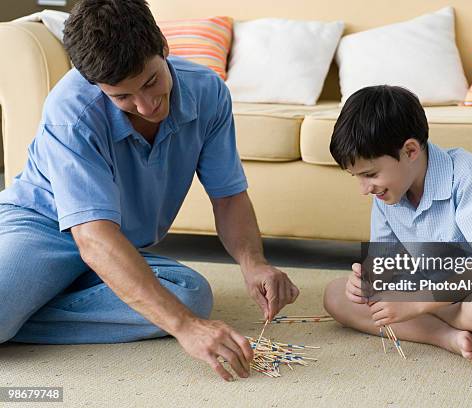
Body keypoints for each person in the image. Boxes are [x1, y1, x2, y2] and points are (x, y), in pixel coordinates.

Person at [0, 0, 299, 382]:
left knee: (190, 296)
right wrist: (185, 328)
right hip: (42, 226)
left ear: (163, 46)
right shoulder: (71, 110)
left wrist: (253, 262)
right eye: (122, 97)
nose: (146, 105)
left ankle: (25, 309)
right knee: (179, 315)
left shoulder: (208, 93)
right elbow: (93, 239)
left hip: (116, 244)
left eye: (151, 81)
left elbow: (228, 196)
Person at [323, 85, 472, 366]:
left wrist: (416, 303)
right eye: (356, 177)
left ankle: (438, 319)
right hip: (435, 292)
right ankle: (448, 337)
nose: (364, 188)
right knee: (335, 295)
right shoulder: (387, 193)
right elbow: (383, 265)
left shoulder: (470, 176)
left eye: (370, 174)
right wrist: (367, 282)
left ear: (410, 151)